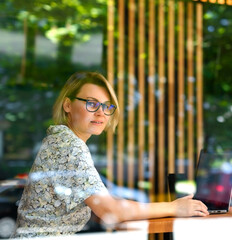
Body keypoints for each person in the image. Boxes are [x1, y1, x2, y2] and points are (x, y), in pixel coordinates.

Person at [12, 71, 209, 238]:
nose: (101, 113)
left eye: (107, 106)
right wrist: (175, 208)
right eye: (91, 103)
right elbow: (109, 211)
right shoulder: (68, 146)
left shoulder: (60, 139)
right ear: (68, 105)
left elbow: (101, 203)